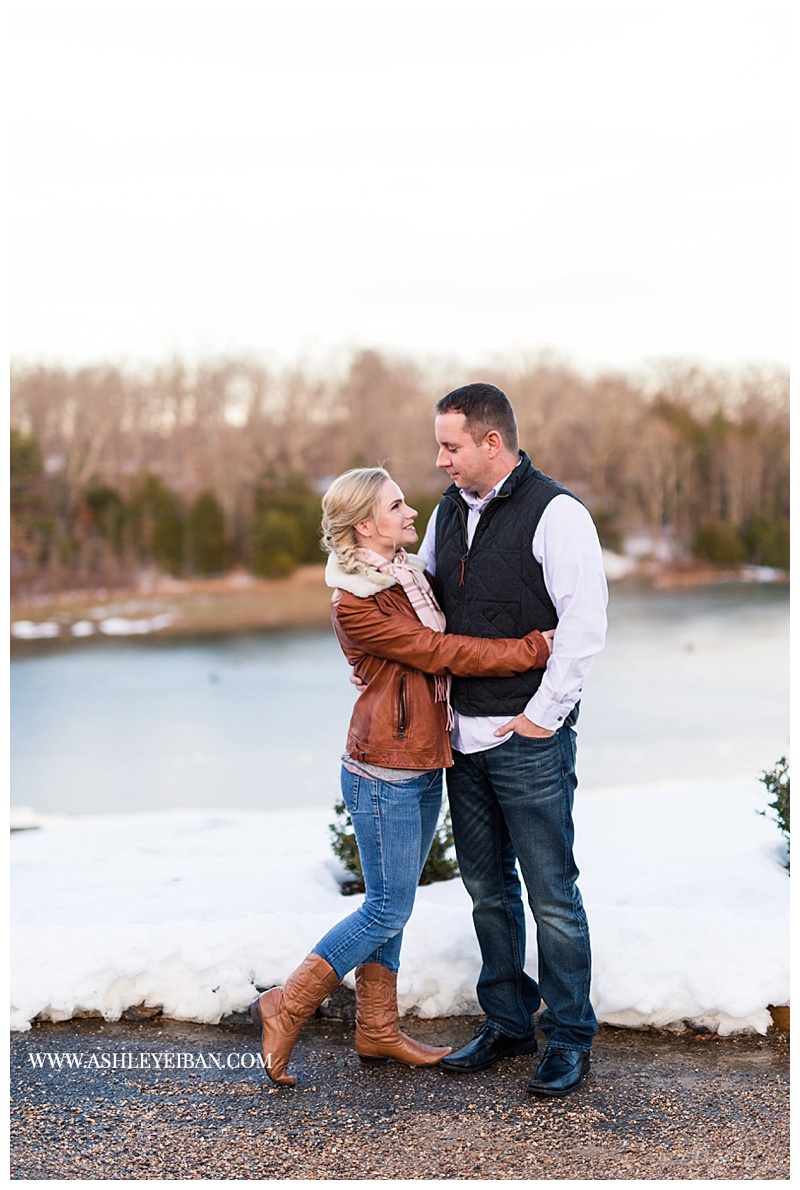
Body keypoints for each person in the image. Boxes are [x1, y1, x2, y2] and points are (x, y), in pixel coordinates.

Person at [250, 466, 554, 1087]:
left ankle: (377, 1030)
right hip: (381, 768)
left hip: (420, 759)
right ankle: (287, 1003)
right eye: (396, 506)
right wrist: (530, 650)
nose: (412, 512)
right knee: (388, 908)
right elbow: (438, 652)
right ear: (365, 524)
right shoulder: (357, 600)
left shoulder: (406, 575)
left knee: (394, 905)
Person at [417, 382, 608, 1098]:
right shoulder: (445, 513)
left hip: (527, 738)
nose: (440, 460)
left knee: (551, 893)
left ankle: (569, 1037)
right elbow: (427, 606)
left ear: (490, 442)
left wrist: (542, 715)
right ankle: (506, 1023)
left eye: (451, 445)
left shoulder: (557, 514)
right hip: (461, 740)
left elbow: (583, 628)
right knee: (486, 890)